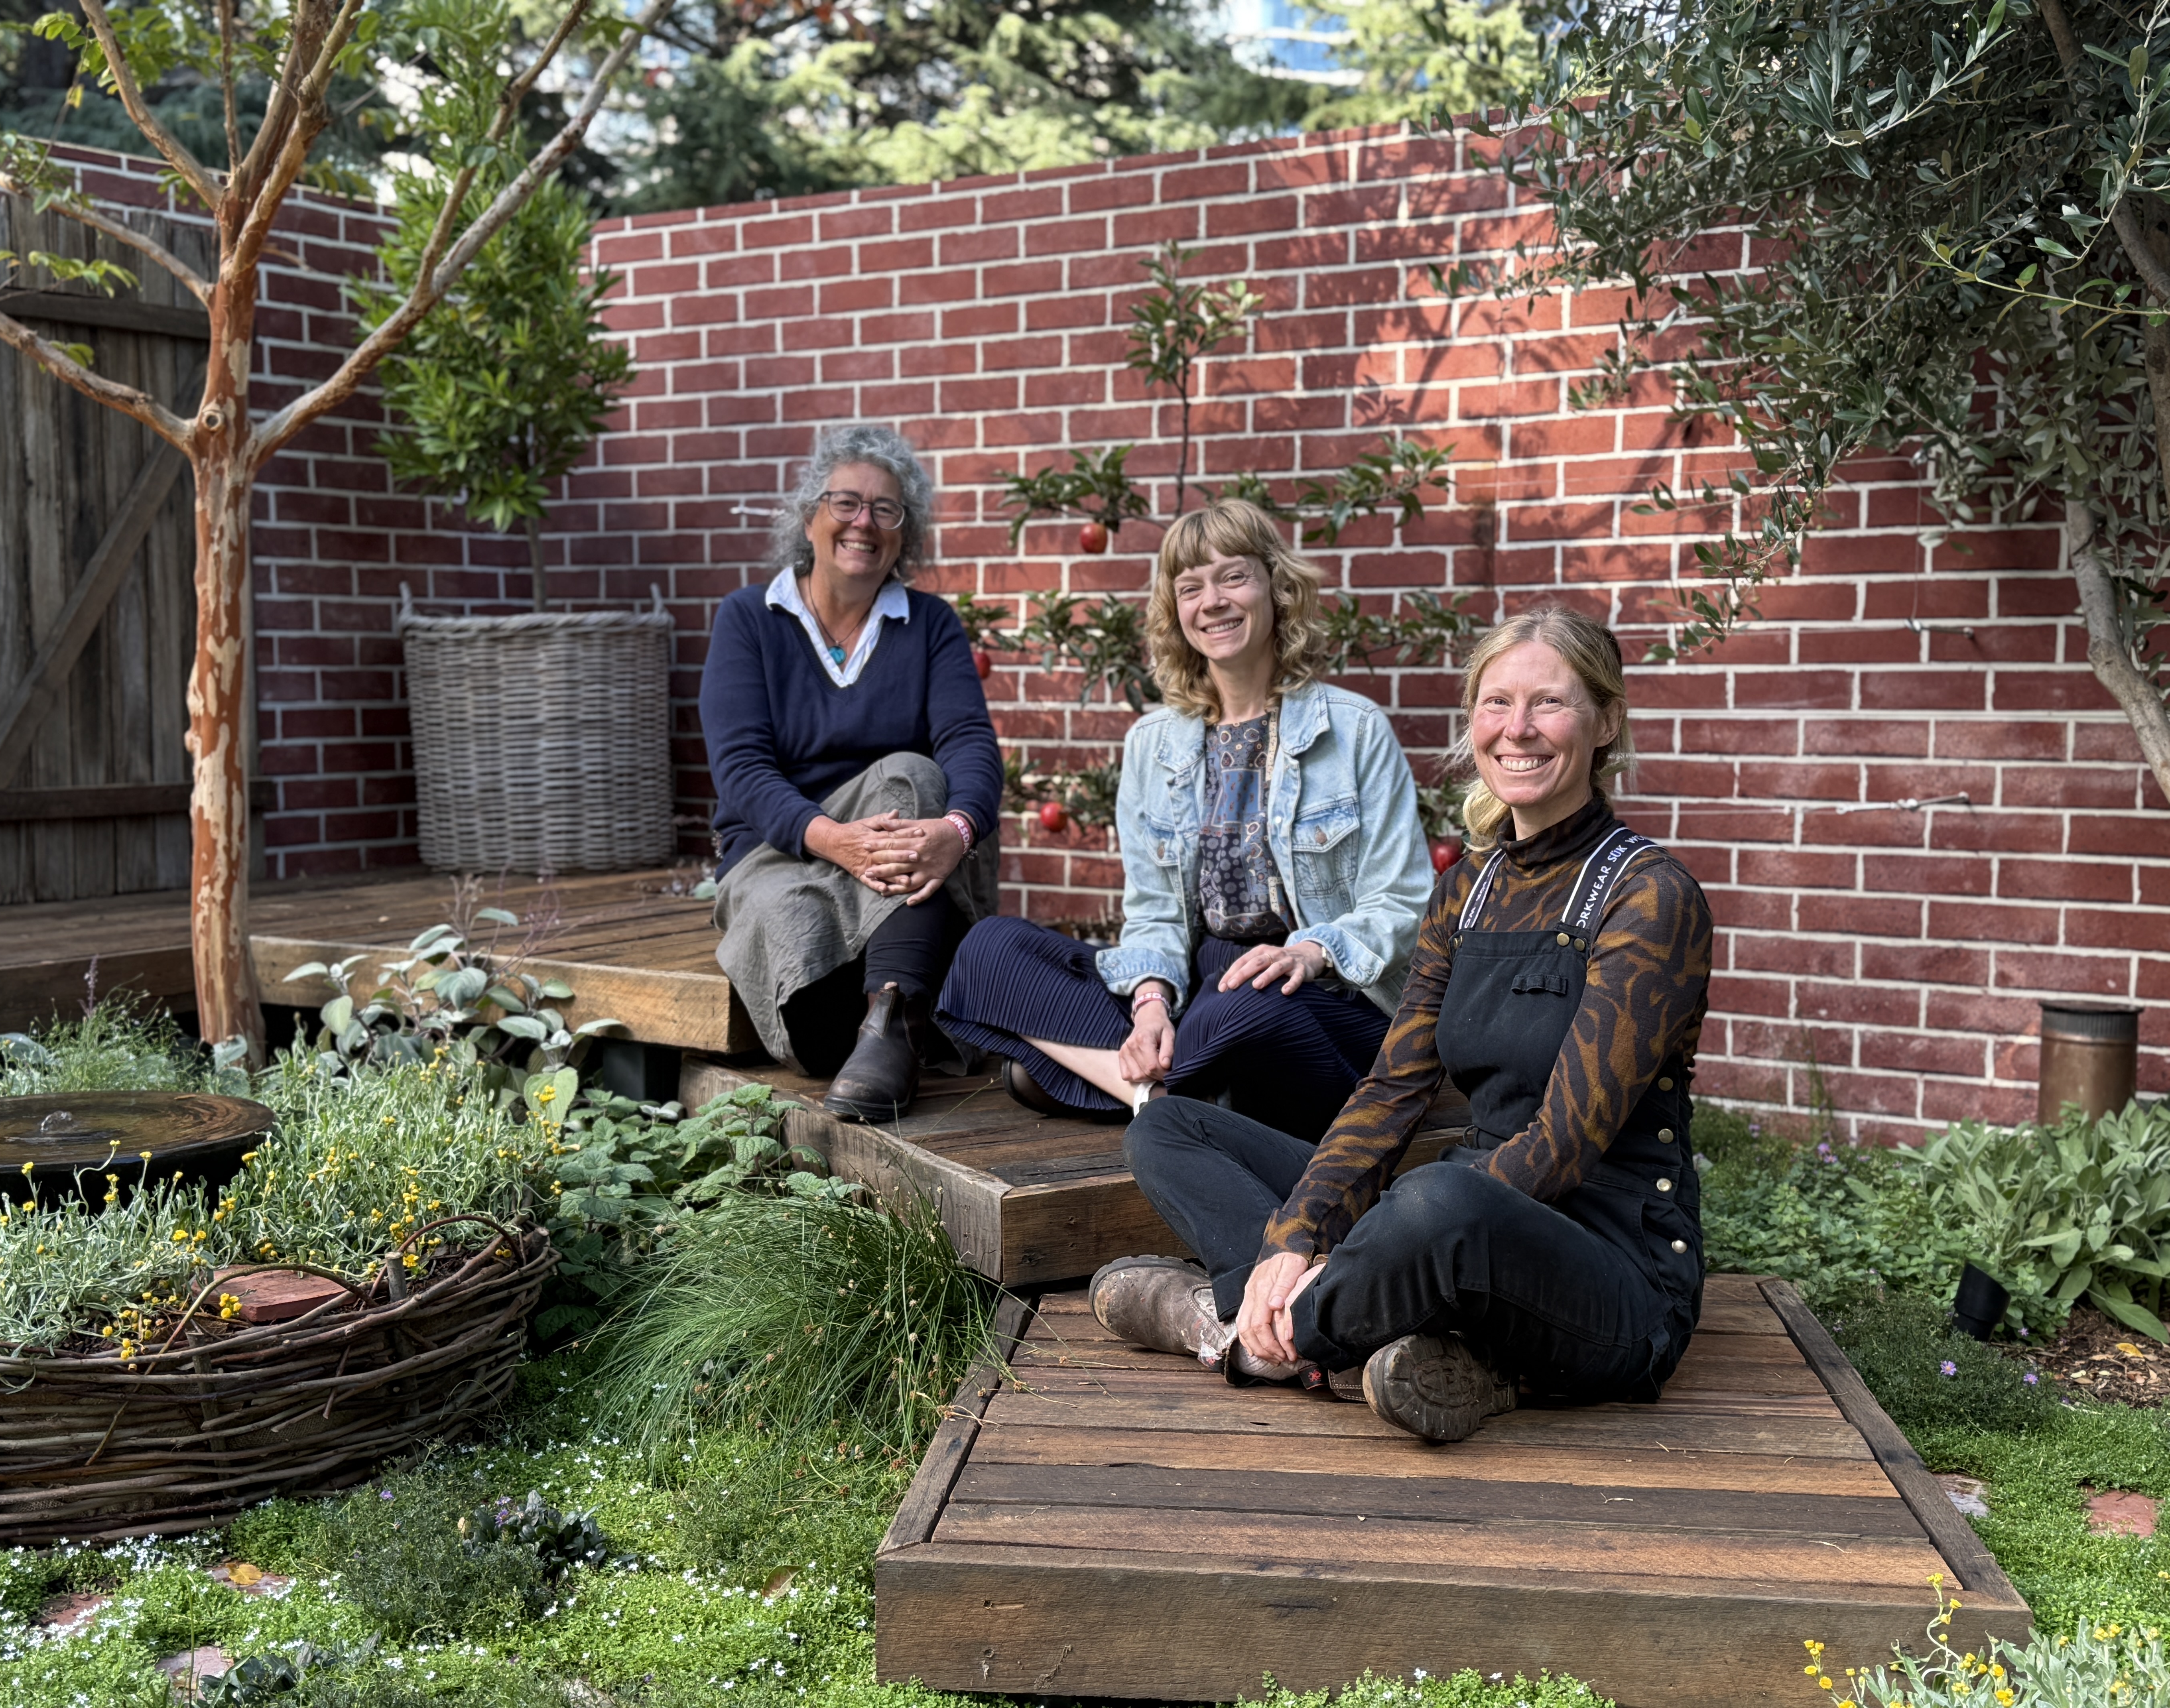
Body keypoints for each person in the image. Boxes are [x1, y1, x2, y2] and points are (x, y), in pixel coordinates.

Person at [1087, 604, 1713, 1445]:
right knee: (1169, 1127)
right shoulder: (1467, 893)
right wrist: (1298, 1236)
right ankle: (1382, 1329)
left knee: (1437, 1198)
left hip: (1612, 1276)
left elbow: (1564, 1145)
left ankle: (1235, 1330)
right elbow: (1392, 1090)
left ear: (1605, 722)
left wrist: (1371, 1243)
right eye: (1497, 703)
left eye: (1549, 703)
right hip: (1462, 1223)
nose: (1518, 729)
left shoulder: (1648, 896)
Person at [936, 500, 1430, 1142]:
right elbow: (1155, 914)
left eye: (1233, 577)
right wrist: (1150, 1008)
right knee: (989, 949)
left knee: (1246, 1012)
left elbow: (1403, 902)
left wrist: (1309, 953)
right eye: (1191, 588)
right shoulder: (1153, 744)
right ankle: (1159, 1094)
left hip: (1320, 999)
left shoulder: (1354, 730)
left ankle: (1092, 1074)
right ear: (1175, 611)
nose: (1213, 602)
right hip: (1197, 988)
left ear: (1276, 587)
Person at [702, 424, 1003, 1122]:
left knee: (912, 773)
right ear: (809, 517)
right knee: (786, 925)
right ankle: (895, 1017)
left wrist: (960, 830)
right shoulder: (749, 618)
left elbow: (970, 743)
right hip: (781, 848)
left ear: (905, 534)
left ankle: (890, 1017)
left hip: (899, 841)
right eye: (846, 503)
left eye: (885, 509)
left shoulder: (929, 624)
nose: (863, 522)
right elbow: (742, 768)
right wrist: (835, 840)